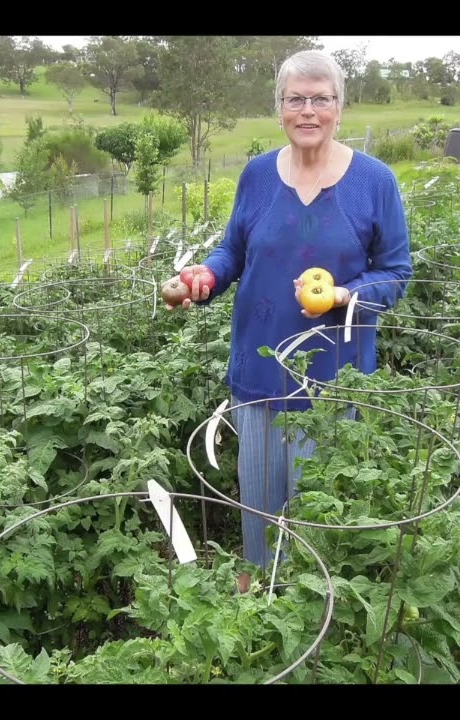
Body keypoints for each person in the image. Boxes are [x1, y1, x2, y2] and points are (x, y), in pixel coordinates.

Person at [163, 50, 413, 577]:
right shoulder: (257, 175)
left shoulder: (374, 182)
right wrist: (205, 277)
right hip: (259, 368)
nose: (308, 111)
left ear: (340, 106)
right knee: (258, 506)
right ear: (279, 107)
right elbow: (233, 251)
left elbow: (395, 272)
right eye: (295, 99)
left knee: (316, 512)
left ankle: (310, 601)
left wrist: (342, 295)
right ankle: (257, 595)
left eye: (320, 99)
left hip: (332, 375)